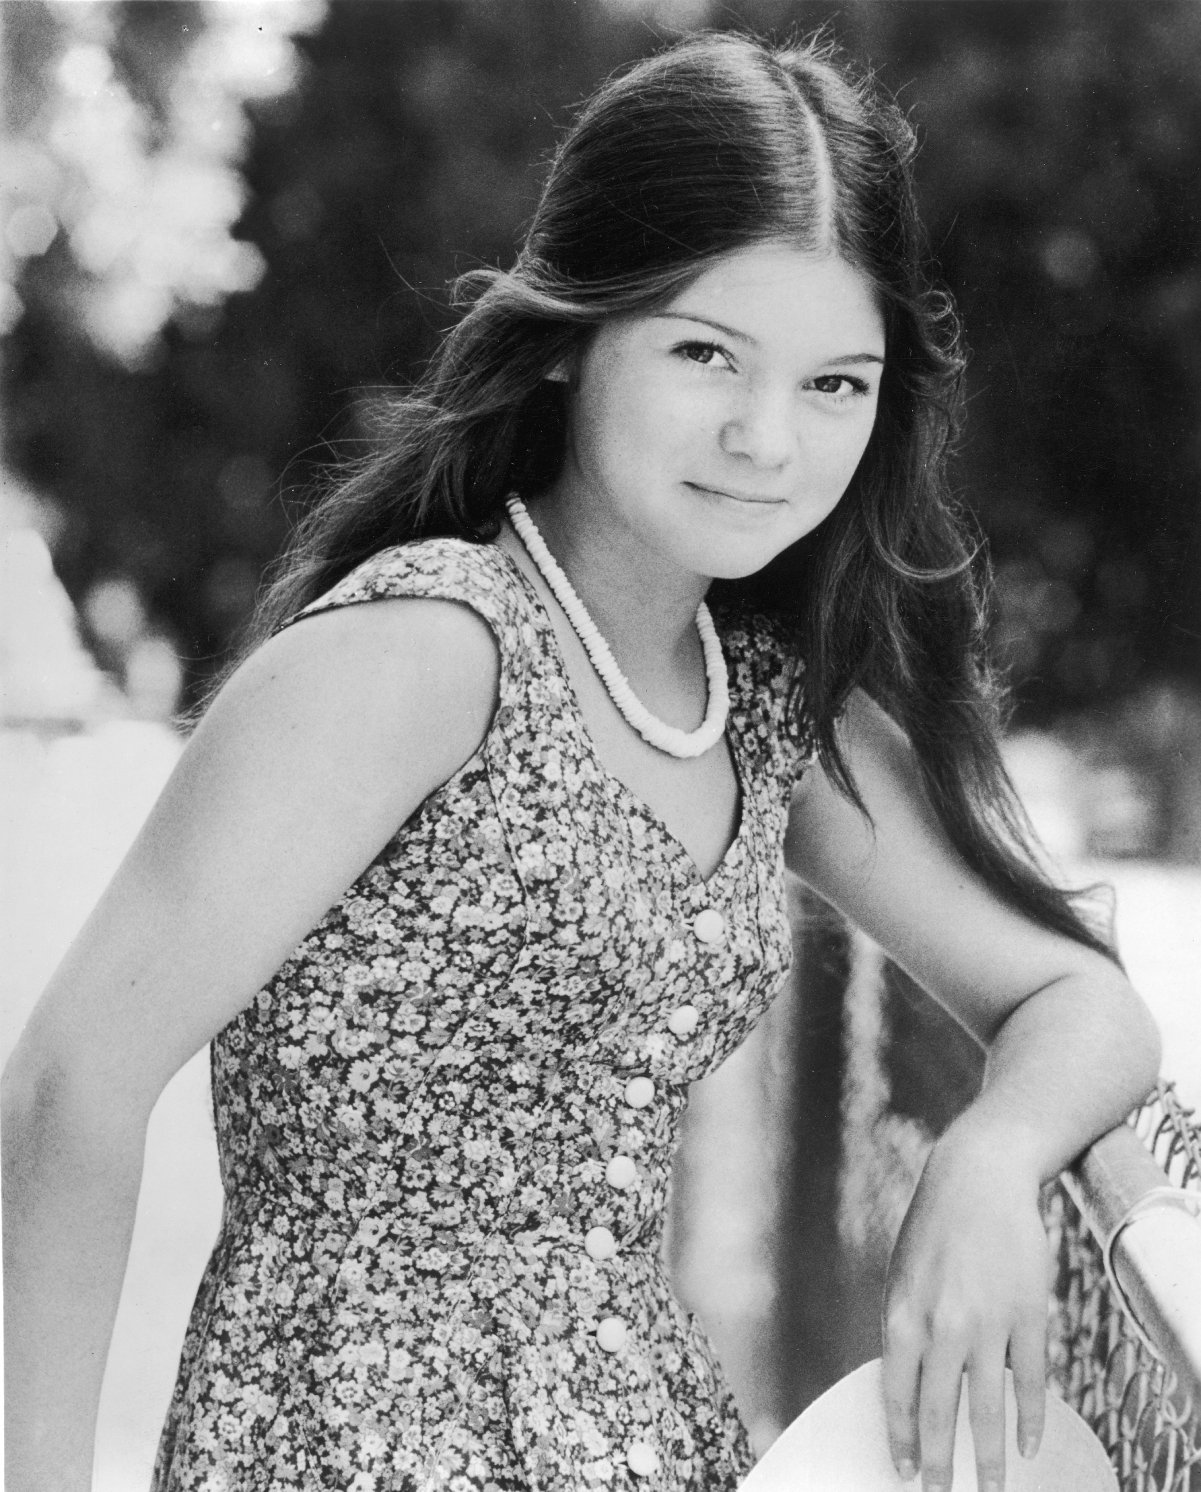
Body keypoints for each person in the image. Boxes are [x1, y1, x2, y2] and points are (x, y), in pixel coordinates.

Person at [3, 29, 1160, 1492]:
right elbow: (73, 1082)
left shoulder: (758, 712)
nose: (765, 438)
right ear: (566, 338)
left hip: (644, 1447)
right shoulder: (421, 653)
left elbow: (1078, 999)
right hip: (345, 1451)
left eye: (833, 384)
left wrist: (988, 1158)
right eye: (702, 354)